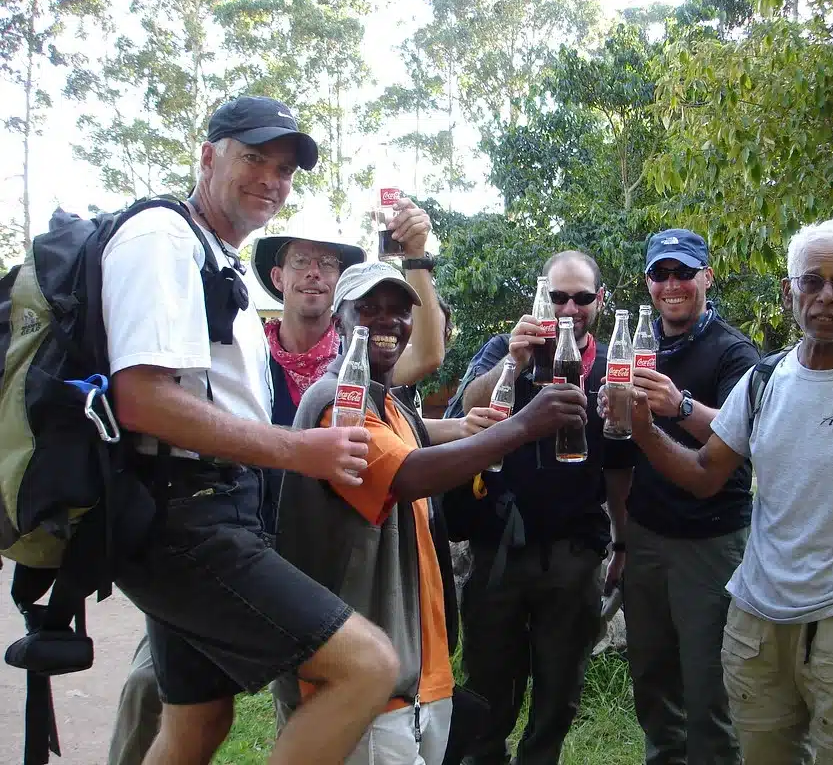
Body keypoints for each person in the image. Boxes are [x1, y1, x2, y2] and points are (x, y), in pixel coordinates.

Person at [102, 94, 399, 765]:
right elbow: (141, 400)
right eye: (254, 158)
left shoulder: (215, 257)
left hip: (210, 510)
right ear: (207, 157)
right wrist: (299, 452)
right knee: (366, 665)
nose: (272, 179)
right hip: (187, 517)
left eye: (286, 169)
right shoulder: (162, 238)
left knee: (198, 720)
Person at [624, 219, 833, 763]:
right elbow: (704, 473)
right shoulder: (764, 382)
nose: (826, 296)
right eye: (812, 281)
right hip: (758, 624)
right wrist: (642, 429)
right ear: (790, 292)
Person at [275, 261, 589, 764]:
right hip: (365, 685)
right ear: (338, 322)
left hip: (417, 673)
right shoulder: (340, 403)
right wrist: (525, 425)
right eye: (368, 310)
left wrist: (481, 424)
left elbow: (435, 434)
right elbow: (407, 474)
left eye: (399, 312)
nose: (387, 322)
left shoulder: (392, 406)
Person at [455, 250, 634, 765]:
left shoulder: (610, 366)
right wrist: (514, 361)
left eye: (581, 297)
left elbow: (619, 469)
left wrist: (622, 543)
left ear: (600, 301)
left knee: (559, 693)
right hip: (499, 548)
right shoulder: (506, 348)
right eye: (559, 297)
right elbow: (468, 408)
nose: (570, 308)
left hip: (574, 552)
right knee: (487, 688)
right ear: (543, 298)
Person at [604, 230, 760, 764]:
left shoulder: (734, 352)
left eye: (683, 273)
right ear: (648, 283)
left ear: (706, 278)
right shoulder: (639, 348)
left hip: (711, 538)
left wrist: (680, 404)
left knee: (709, 686)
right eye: (661, 274)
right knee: (651, 680)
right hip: (648, 535)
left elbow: (749, 432)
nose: (672, 285)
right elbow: (623, 456)